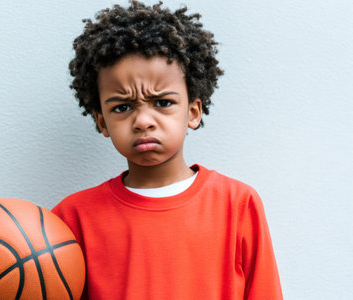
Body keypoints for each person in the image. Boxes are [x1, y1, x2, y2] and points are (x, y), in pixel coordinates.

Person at [52, 1, 282, 299]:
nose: (143, 121)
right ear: (102, 121)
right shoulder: (72, 219)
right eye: (122, 107)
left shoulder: (237, 204)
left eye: (162, 102)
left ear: (193, 112)